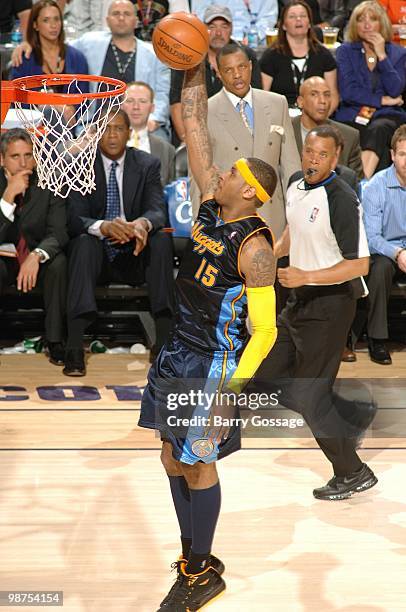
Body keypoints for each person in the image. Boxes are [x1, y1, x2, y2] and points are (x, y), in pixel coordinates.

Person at [139, 60, 278, 610]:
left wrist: (230, 395)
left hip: (214, 366)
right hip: (177, 348)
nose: (220, 173)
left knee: (199, 462)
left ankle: (201, 573)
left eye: (232, 173)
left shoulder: (256, 249)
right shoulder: (209, 207)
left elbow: (263, 333)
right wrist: (193, 64)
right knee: (173, 458)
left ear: (248, 194)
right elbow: (194, 128)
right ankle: (192, 555)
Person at [252, 124, 378, 501]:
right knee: (264, 376)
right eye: (309, 152)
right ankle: (352, 415)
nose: (313, 160)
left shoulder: (341, 198)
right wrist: (271, 253)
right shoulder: (294, 182)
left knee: (309, 396)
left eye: (322, 155)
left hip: (333, 304)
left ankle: (353, 472)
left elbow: (361, 266)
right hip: (298, 300)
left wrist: (307, 273)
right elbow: (293, 227)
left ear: (335, 158)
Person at [64, 109, 174, 375]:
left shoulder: (147, 164)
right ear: (97, 133)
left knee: (160, 240)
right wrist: (104, 227)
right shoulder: (80, 164)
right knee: (83, 242)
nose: (112, 135)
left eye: (119, 129)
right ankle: (75, 346)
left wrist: (140, 225)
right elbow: (75, 218)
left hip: (133, 253)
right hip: (97, 255)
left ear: (129, 133)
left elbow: (158, 210)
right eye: (106, 128)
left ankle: (163, 342)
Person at [12, 0, 171, 141]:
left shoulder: (153, 54)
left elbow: (163, 93)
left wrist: (155, 119)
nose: (121, 18)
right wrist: (26, 44)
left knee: (159, 140)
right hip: (94, 123)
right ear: (107, 20)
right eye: (116, 13)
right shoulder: (90, 43)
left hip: (138, 122)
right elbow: (55, 45)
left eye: (127, 14)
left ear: (136, 20)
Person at [191, 42, 300, 241]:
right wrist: (200, 225)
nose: (237, 75)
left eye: (241, 67)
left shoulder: (277, 103)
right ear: (218, 73)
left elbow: (291, 166)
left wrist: (297, 217)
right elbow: (198, 175)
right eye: (229, 70)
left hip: (273, 217)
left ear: (250, 66)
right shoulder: (205, 112)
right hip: (228, 220)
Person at [0, 128, 68, 366]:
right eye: (15, 157)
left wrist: (36, 256)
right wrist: (8, 196)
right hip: (5, 261)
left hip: (35, 259)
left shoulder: (50, 182)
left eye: (28, 155)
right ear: (1, 159)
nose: (23, 163)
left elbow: (59, 232)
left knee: (58, 263)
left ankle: (55, 340)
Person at [170, 4, 262, 144]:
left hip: (237, 131)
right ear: (202, 29)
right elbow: (176, 102)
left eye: (224, 27)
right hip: (196, 130)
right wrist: (186, 140)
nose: (218, 33)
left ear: (231, 29)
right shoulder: (188, 56)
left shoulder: (246, 55)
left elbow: (256, 97)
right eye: (212, 27)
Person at [335, 1, 406, 178]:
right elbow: (348, 92)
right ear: (354, 24)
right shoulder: (345, 51)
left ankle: (361, 183)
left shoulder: (398, 53)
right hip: (353, 112)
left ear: (382, 23)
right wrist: (382, 100)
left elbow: (396, 89)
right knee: (348, 129)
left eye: (372, 19)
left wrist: (382, 56)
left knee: (379, 129)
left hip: (386, 115)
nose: (366, 24)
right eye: (361, 19)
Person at [358, 124, 406, 365]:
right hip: (385, 250)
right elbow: (372, 237)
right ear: (392, 155)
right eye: (402, 154)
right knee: (379, 269)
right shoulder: (376, 186)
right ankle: (377, 339)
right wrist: (398, 253)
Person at [10, 0, 89, 129]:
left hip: (70, 127)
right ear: (35, 25)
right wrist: (53, 106)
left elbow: (84, 98)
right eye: (46, 20)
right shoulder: (25, 59)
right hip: (33, 128)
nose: (53, 25)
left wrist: (70, 110)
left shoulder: (77, 57)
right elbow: (19, 100)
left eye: (56, 19)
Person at [260, 0, 339, 112]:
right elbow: (262, 97)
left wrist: (321, 120)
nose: (298, 19)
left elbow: (333, 96)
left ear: (309, 23)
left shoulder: (324, 55)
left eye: (303, 16)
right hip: (280, 118)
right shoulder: (271, 57)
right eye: (292, 16)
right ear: (283, 25)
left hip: (316, 119)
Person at [293, 76, 364, 180]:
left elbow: (356, 182)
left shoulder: (349, 136)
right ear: (300, 101)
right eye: (314, 94)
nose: (322, 101)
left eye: (327, 95)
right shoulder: (285, 130)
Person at [122, 82, 176, 187]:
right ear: (122, 106)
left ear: (152, 108)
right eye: (130, 101)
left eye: (142, 101)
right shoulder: (108, 144)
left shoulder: (167, 150)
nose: (136, 107)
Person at [192, 0, 278, 43]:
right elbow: (200, 16)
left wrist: (253, 38)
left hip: (256, 43)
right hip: (218, 41)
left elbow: (268, 18)